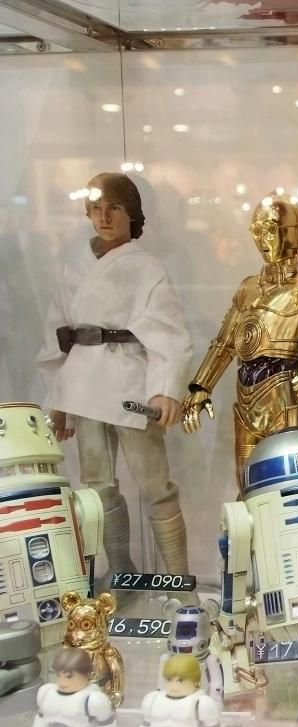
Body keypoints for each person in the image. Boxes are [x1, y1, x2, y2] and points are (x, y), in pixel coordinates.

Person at [36, 172, 192, 577]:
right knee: (98, 486)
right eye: (96, 208)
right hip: (84, 386)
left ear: (131, 213)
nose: (104, 217)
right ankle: (121, 571)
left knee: (156, 485)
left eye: (115, 208)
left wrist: (166, 389)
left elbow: (169, 332)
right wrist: (58, 399)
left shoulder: (146, 268)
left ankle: (179, 579)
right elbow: (58, 334)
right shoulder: (74, 266)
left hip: (130, 383)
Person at [181, 195, 298, 489]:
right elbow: (224, 344)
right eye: (256, 231)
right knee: (247, 489)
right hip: (245, 398)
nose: (262, 239)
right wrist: (201, 387)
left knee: (288, 486)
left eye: (269, 229)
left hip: (287, 396)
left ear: (292, 233)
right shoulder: (248, 288)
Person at [28, 648, 116, 727]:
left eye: (69, 677)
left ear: (86, 675)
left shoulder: (93, 699)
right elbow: (41, 719)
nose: (62, 682)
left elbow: (106, 726)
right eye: (59, 675)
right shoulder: (46, 692)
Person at [136, 654, 222, 727]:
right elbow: (146, 726)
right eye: (169, 679)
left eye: (180, 680)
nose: (173, 685)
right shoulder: (153, 700)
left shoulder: (201, 703)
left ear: (195, 681)